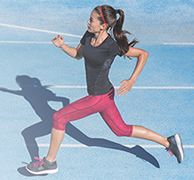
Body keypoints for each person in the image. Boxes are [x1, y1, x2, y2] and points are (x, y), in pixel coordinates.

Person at [26, 5, 184, 175]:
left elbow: (143, 54)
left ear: (103, 25)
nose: (88, 21)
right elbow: (78, 54)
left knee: (59, 118)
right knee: (121, 130)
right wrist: (62, 46)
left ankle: (50, 162)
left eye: (91, 19)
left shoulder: (111, 46)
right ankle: (168, 142)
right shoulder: (88, 35)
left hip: (99, 98)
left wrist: (132, 81)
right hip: (105, 96)